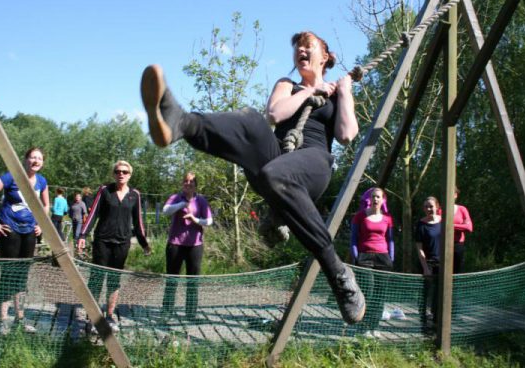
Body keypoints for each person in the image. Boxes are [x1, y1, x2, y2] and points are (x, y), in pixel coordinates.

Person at [140, 31, 365, 324]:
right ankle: (181, 122)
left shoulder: (337, 93)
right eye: (297, 47)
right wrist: (309, 92)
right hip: (278, 161)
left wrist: (345, 90)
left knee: (277, 174)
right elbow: (274, 114)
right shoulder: (288, 84)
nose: (301, 50)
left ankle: (338, 273)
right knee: (252, 120)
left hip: (314, 162)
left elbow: (347, 134)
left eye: (308, 46)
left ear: (325, 56)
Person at [0, 147, 50, 335]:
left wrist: (41, 224)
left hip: (29, 233)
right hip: (9, 231)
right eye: (32, 157)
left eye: (39, 158)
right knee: (9, 274)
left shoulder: (42, 181)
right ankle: (3, 319)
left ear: (42, 162)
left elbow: (46, 204)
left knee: (22, 275)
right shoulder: (11, 177)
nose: (35, 161)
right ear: (25, 160)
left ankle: (20, 318)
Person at [78, 160, 151, 333]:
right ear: (114, 173)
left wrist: (144, 244)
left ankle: (110, 316)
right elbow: (93, 214)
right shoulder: (104, 191)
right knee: (96, 278)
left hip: (122, 243)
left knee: (114, 280)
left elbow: (138, 222)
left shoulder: (135, 195)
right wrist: (83, 235)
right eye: (118, 171)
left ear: (130, 175)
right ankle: (93, 317)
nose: (121, 174)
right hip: (102, 241)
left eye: (125, 172)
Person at [161, 172, 213, 319]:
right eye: (185, 181)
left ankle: (190, 313)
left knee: (192, 281)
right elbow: (165, 211)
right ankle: (167, 312)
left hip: (195, 246)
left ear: (196, 185)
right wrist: (182, 205)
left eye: (191, 182)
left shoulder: (201, 201)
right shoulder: (175, 197)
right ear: (182, 183)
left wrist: (194, 219)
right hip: (175, 244)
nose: (188, 184)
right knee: (172, 279)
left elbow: (209, 221)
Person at [350, 187, 394, 332]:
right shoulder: (360, 216)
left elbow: (390, 240)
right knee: (367, 291)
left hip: (383, 257)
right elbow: (353, 239)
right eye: (373, 196)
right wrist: (356, 257)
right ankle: (362, 327)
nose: (375, 199)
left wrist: (391, 258)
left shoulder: (388, 218)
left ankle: (374, 327)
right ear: (369, 199)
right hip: (365, 257)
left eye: (378, 197)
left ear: (383, 200)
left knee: (380, 294)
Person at [415, 196, 441, 331]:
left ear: (437, 206)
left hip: (442, 263)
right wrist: (425, 268)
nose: (429, 209)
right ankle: (423, 321)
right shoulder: (421, 225)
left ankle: (437, 321)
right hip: (426, 262)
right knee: (424, 293)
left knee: (439, 294)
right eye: (426, 206)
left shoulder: (444, 222)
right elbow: (419, 248)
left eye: (431, 206)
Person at [453, 186, 473, 273]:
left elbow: (469, 227)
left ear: (455, 195)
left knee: (458, 271)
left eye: (451, 193)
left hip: (458, 245)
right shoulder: (440, 210)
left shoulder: (462, 209)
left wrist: (449, 225)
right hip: (441, 244)